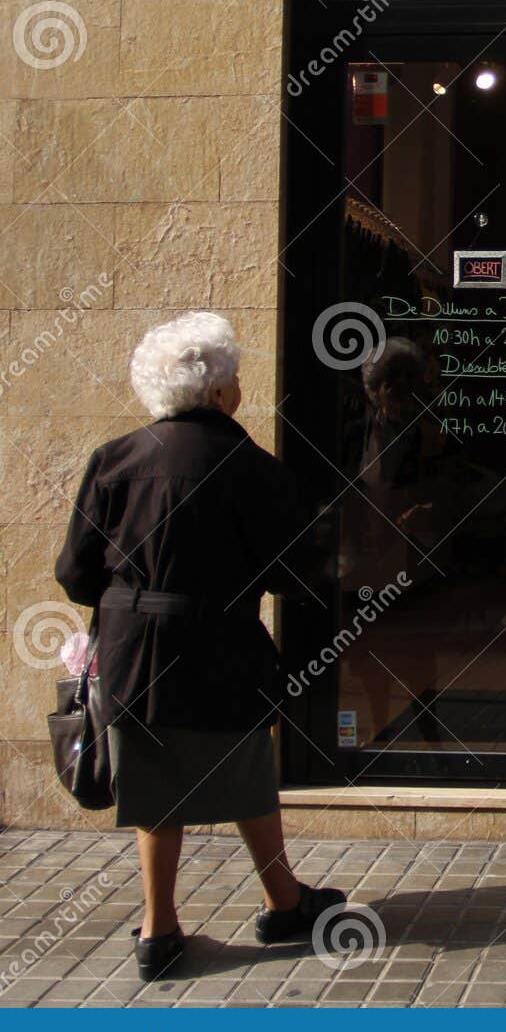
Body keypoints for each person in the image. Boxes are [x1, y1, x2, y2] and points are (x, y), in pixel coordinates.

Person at [54, 311, 346, 982]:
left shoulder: (115, 458)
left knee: (152, 786)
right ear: (215, 391)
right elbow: (292, 573)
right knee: (245, 770)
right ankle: (283, 901)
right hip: (222, 643)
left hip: (134, 651)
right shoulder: (253, 467)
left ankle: (158, 930)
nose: (240, 386)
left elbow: (75, 572)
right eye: (235, 376)